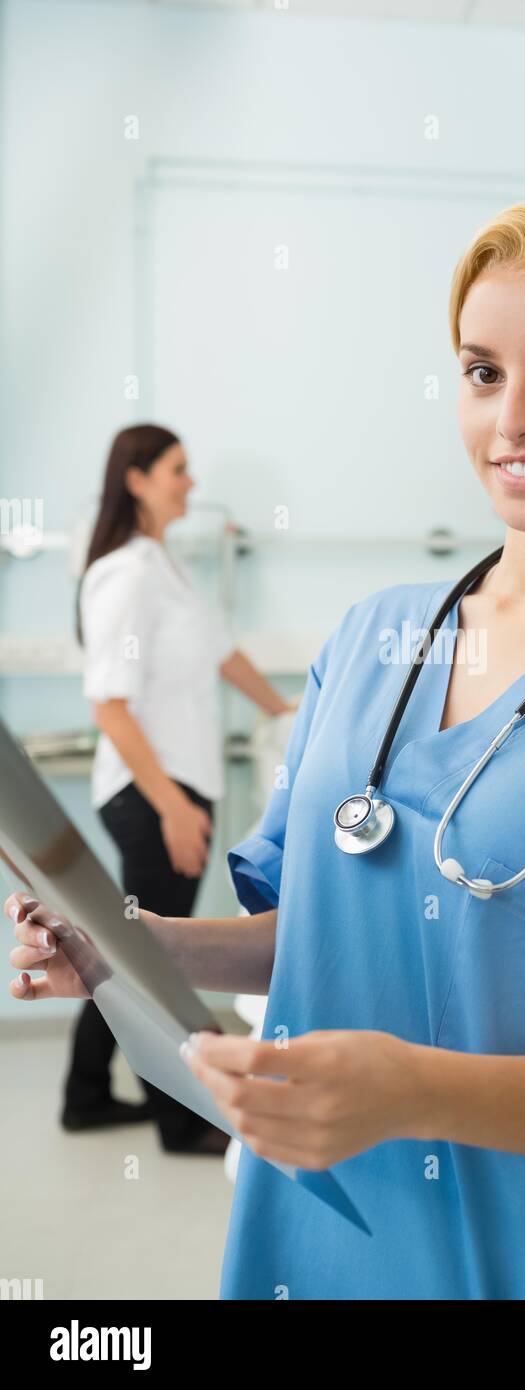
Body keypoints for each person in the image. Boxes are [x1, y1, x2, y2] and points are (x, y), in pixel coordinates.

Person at [8, 202, 525, 1298]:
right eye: (483, 372)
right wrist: (136, 947)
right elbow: (324, 929)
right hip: (311, 1239)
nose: (512, 417)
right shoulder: (372, 637)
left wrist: (407, 1092)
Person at [62, 424, 297, 1153]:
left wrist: (292, 715)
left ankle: (88, 1094)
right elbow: (109, 704)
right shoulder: (126, 573)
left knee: (133, 949)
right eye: (177, 469)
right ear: (136, 479)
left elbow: (225, 655)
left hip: (171, 791)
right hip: (149, 793)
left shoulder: (166, 568)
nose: (190, 483)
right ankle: (177, 1119)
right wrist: (173, 809)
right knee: (153, 958)